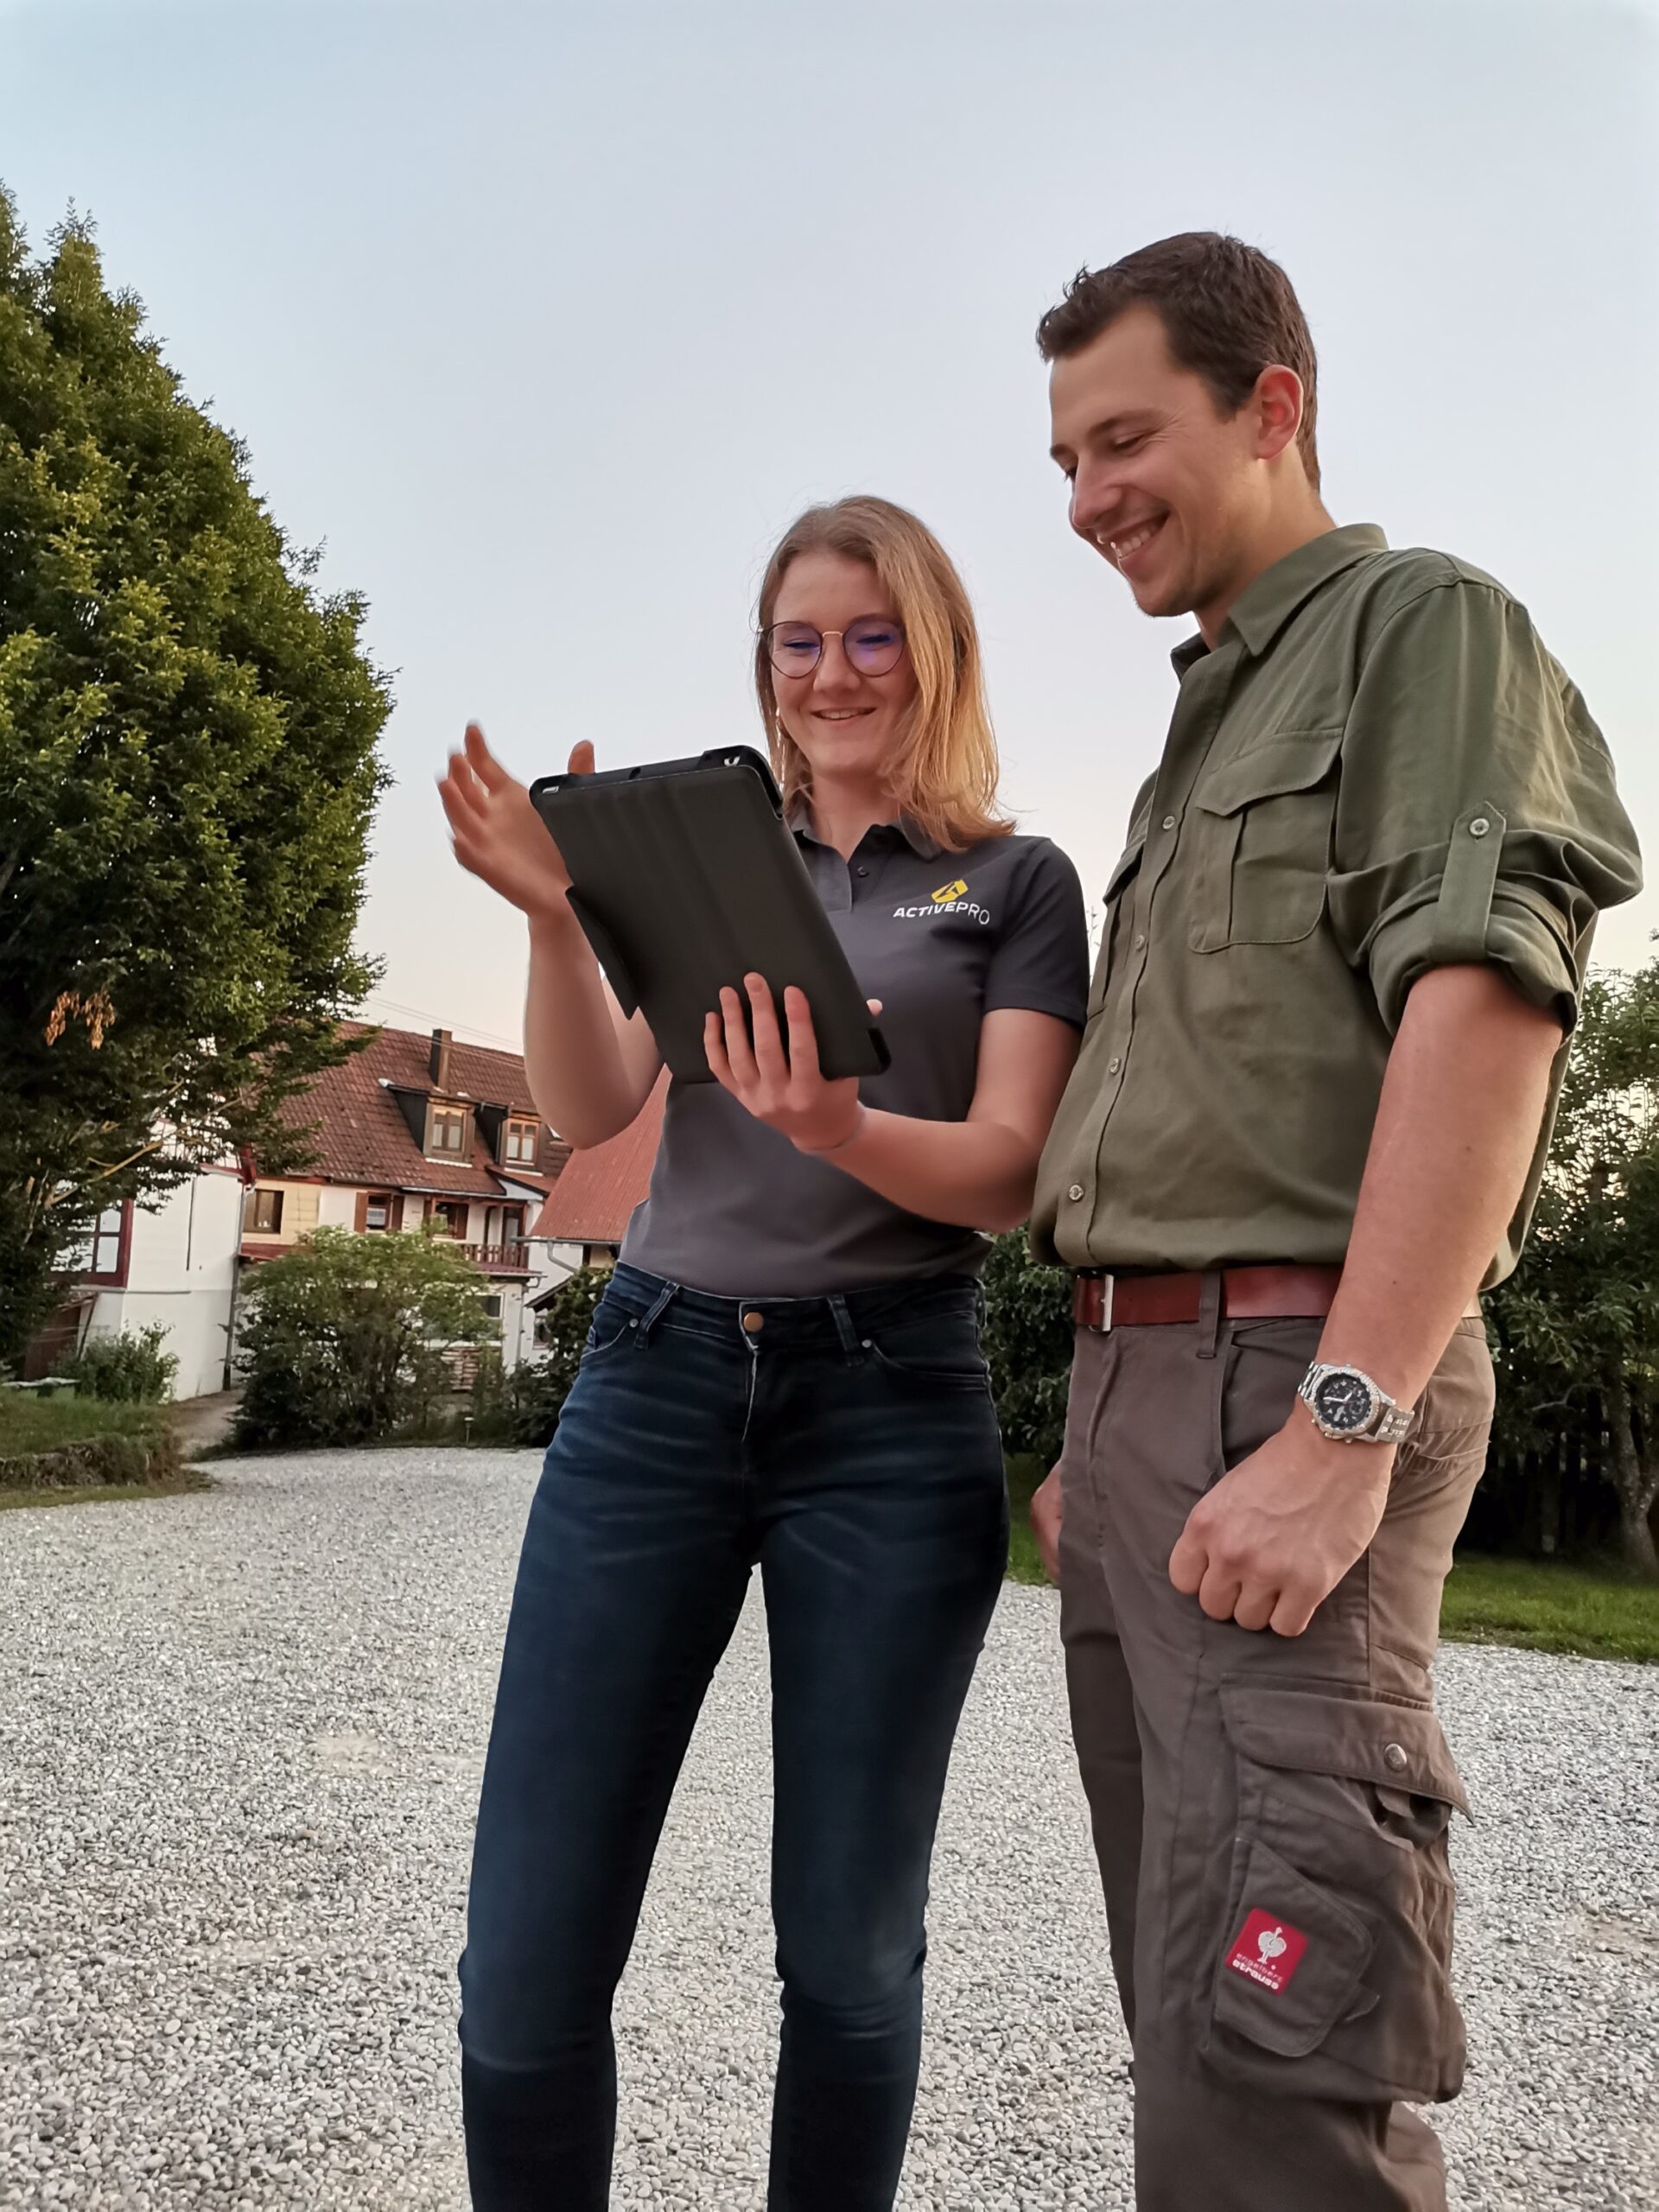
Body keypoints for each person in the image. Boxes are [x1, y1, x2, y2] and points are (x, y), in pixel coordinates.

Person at [1023, 233, 1642, 2211]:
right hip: (1150, 1400)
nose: (1088, 492)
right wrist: (1098, 1425)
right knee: (1193, 2017)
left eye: (1125, 435)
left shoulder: (1420, 628)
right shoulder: (1203, 718)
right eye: (1063, 457)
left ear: (1270, 400)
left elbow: (1488, 1007)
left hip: (1295, 1380)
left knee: (1278, 2069)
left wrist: (1345, 1418)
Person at [437, 493, 1088, 2209]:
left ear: (932, 649)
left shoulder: (1015, 884)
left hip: (889, 1404)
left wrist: (838, 1122)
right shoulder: (701, 854)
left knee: (853, 1960)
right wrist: (558, 920)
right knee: (519, 1972)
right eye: (798, 638)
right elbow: (589, 1108)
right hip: (650, 1382)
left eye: (871, 632)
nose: (831, 670)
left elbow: (1012, 1167)